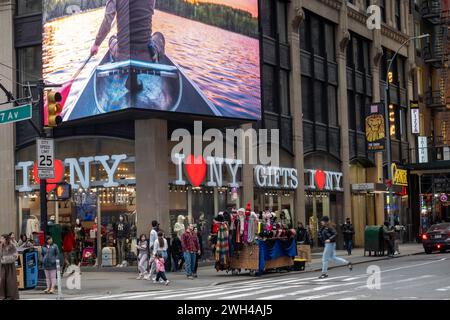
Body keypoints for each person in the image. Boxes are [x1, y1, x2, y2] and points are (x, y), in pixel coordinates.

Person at [0, 234, 19, 300]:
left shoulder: (12, 246)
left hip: (10, 266)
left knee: (10, 281)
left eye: (2, 238)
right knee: (2, 280)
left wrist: (5, 259)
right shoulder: (1, 246)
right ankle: (2, 295)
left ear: (6, 239)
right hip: (3, 266)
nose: (1, 240)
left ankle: (11, 296)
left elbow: (15, 256)